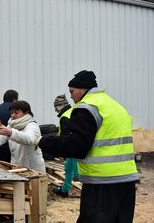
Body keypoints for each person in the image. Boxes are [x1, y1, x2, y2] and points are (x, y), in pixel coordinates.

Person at [38, 70, 138, 222]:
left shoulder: (87, 107)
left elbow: (77, 146)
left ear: (83, 89)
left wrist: (42, 141)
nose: (71, 96)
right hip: (126, 179)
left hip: (102, 181)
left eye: (72, 91)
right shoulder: (115, 106)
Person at [0, 100, 45, 172]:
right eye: (11, 112)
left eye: (16, 112)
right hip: (17, 168)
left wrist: (10, 133)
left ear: (26, 112)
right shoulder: (11, 126)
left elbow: (29, 139)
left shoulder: (32, 125)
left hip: (34, 170)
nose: (13, 115)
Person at [52, 94, 79, 197]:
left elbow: (65, 138)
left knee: (69, 167)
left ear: (60, 106)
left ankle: (65, 190)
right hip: (77, 146)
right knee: (73, 167)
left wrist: (62, 153)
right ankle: (68, 187)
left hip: (72, 147)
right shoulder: (71, 111)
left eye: (55, 107)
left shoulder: (64, 117)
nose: (55, 110)